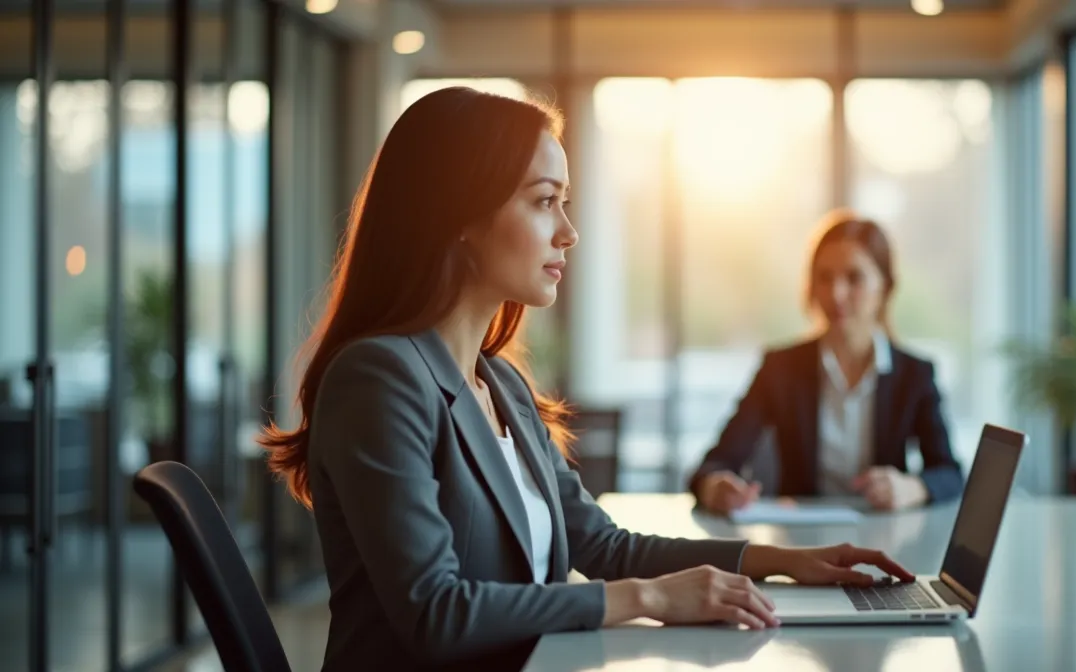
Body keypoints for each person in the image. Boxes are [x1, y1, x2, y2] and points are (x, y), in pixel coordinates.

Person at [257, 88, 914, 671]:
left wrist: (785, 563)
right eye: (545, 202)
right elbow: (436, 614)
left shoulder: (499, 384)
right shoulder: (379, 378)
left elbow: (598, 543)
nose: (569, 232)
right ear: (458, 217)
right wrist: (652, 600)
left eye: (566, 203)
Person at [689, 209, 965, 516]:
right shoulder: (779, 369)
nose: (836, 293)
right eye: (824, 278)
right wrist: (715, 486)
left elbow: (950, 473)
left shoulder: (914, 375)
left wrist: (912, 488)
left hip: (888, 537)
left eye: (854, 277)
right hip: (802, 545)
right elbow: (713, 464)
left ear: (884, 287)